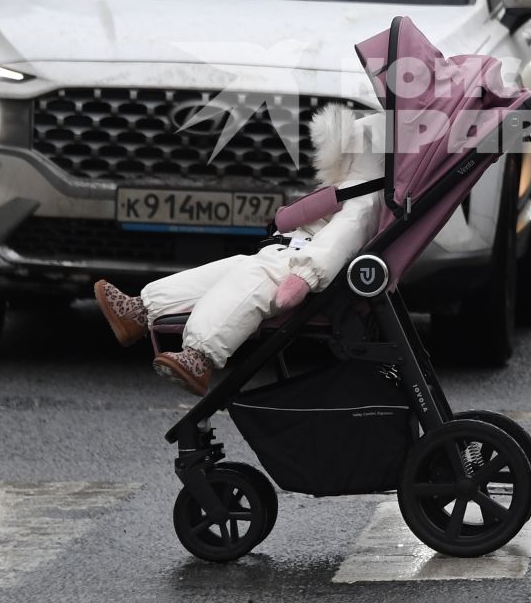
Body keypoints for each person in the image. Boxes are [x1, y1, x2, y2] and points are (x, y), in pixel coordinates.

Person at [93, 103, 384, 394]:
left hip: (298, 269)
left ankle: (200, 355)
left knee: (243, 287)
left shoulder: (365, 201)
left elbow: (341, 238)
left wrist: (305, 276)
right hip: (287, 252)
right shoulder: (354, 189)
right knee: (224, 272)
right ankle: (141, 310)